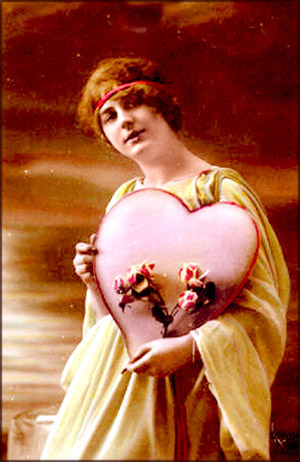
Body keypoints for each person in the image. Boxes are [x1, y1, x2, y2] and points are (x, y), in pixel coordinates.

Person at [41, 57, 290, 460]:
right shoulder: (124, 199)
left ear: (163, 106)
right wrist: (94, 282)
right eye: (109, 116)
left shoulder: (221, 192)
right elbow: (114, 317)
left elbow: (262, 313)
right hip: (121, 372)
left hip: (194, 380)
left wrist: (190, 348)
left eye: (134, 103)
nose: (124, 120)